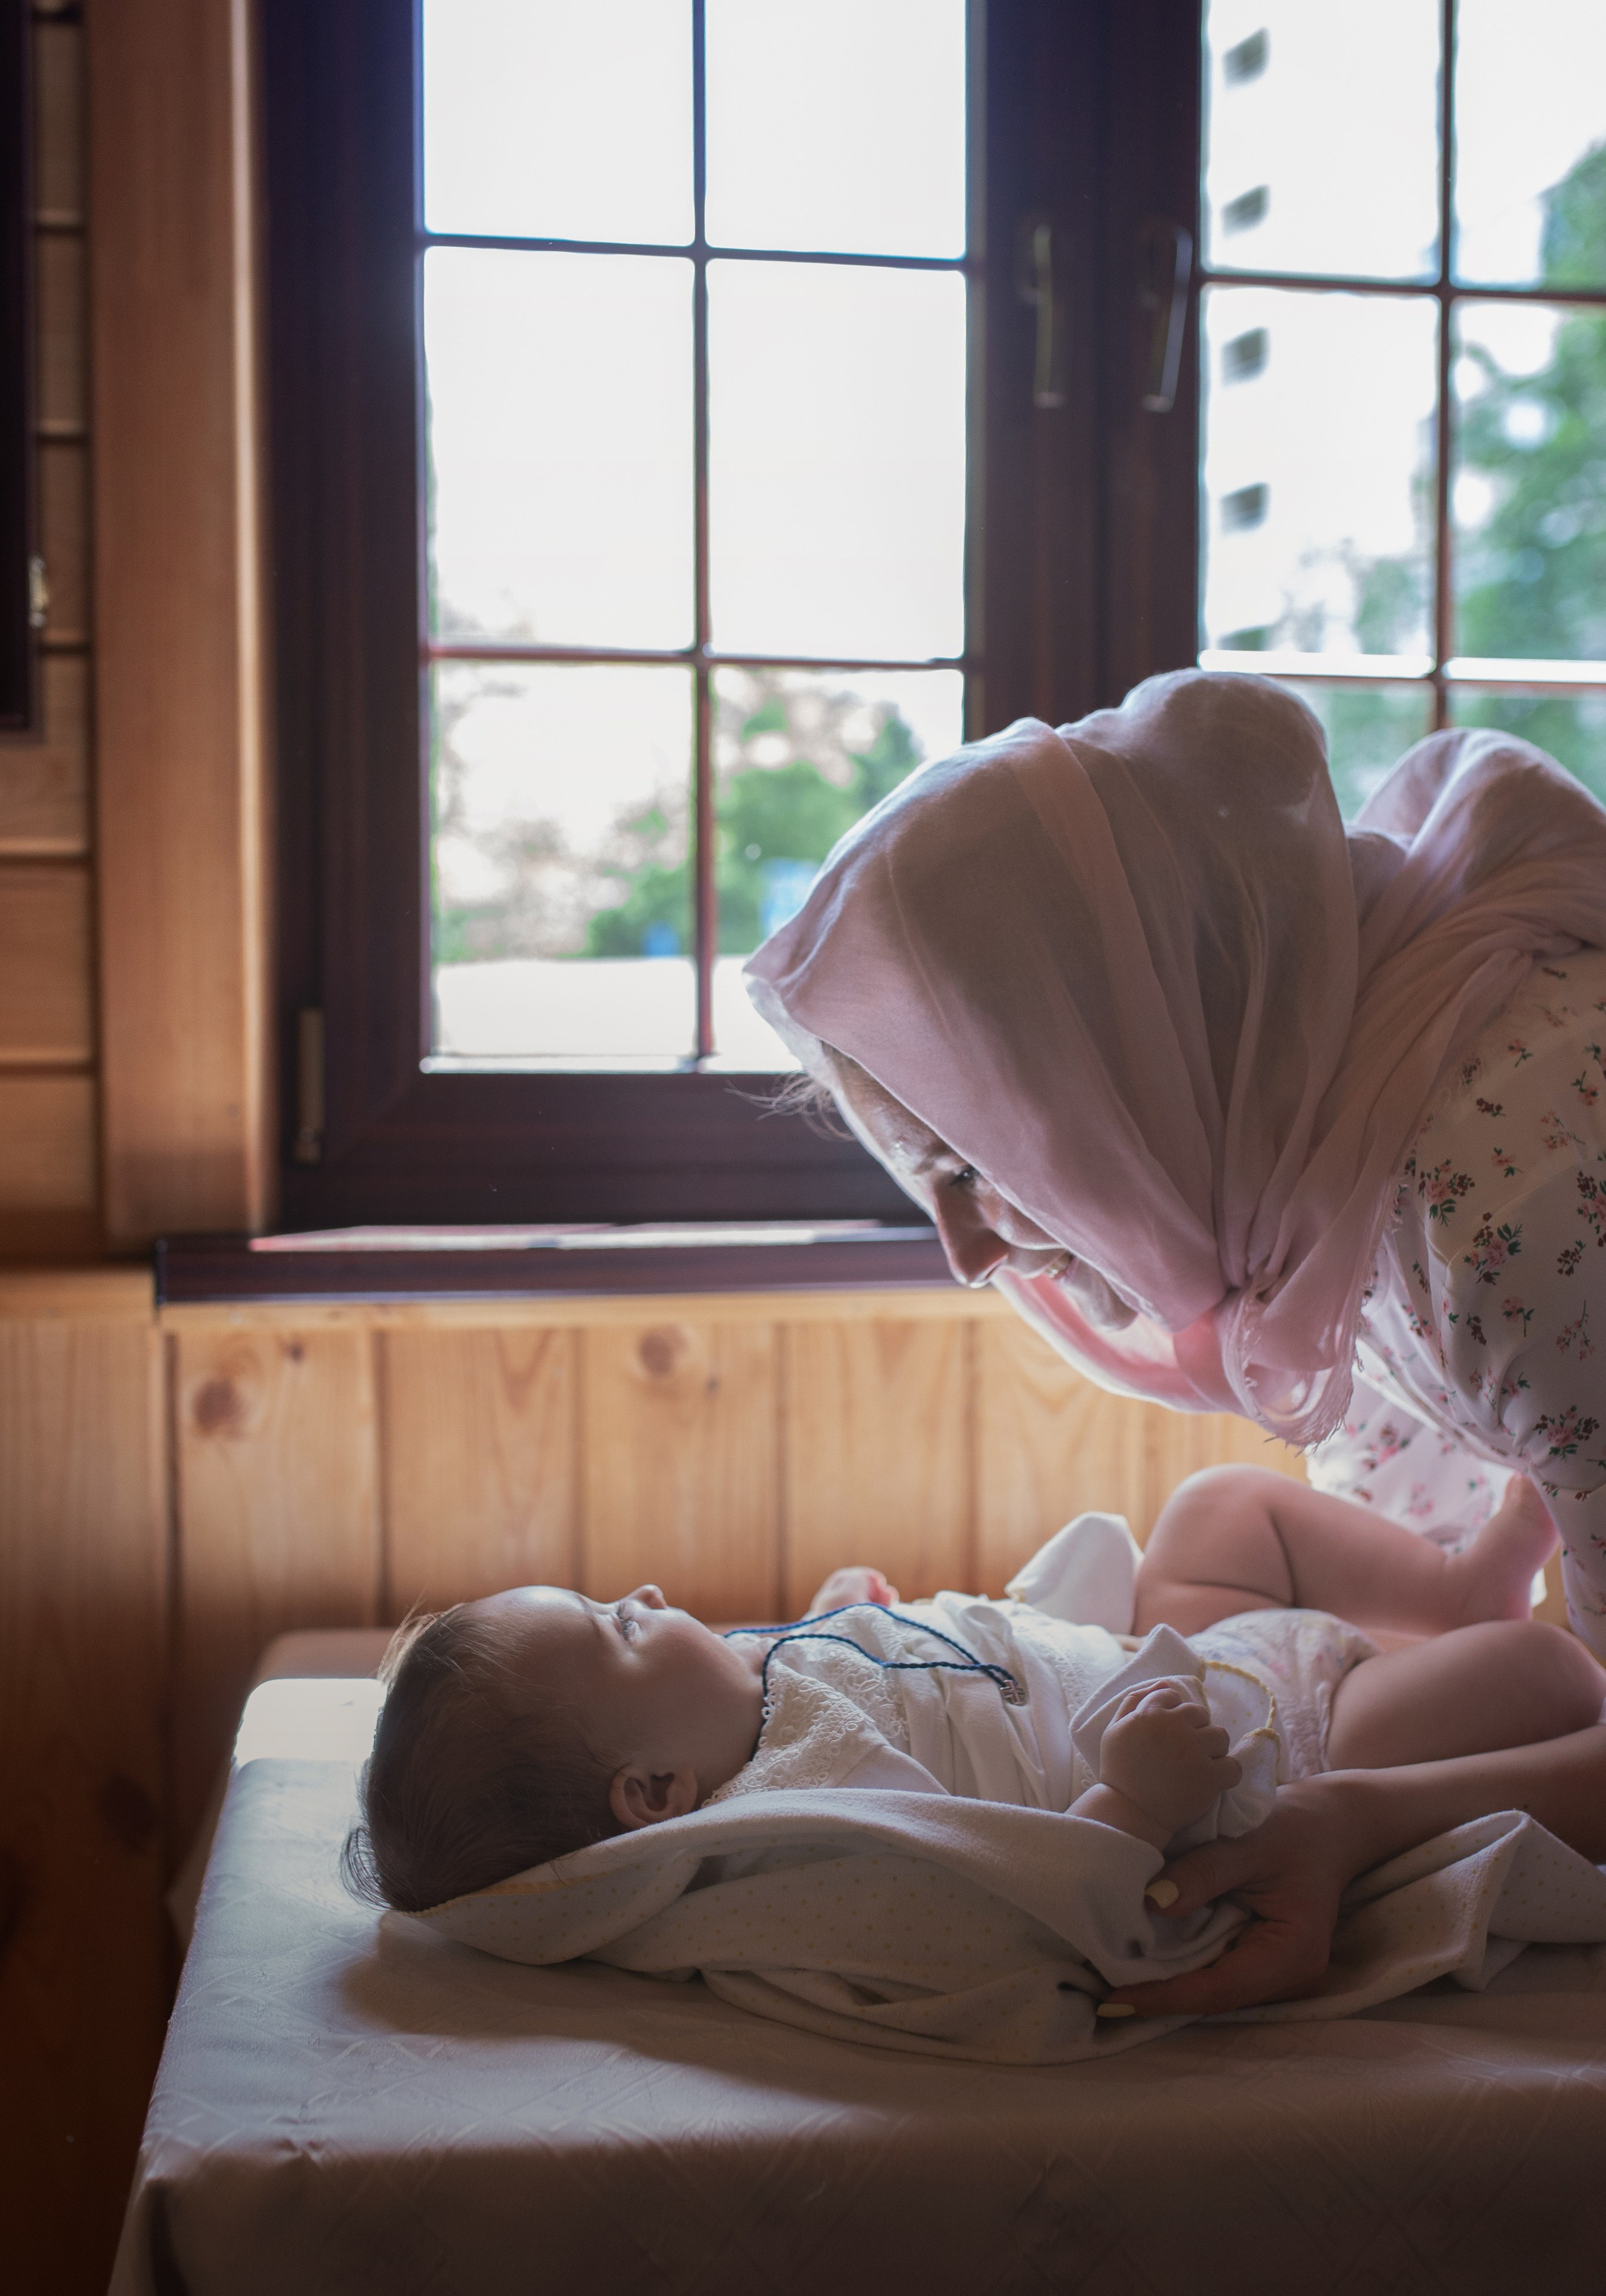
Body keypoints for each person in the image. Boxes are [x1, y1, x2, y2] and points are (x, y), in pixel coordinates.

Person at [741, 667, 1606, 2012]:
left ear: (1105, 1063)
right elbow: (1420, 1596)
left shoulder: (1505, 1198)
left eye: (968, 1164)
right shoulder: (1327, 1151)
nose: (965, 1256)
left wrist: (1352, 1819)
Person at [342, 1463, 1597, 1944]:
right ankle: (1447, 1645)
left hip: (1148, 1645)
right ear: (653, 1794)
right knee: (1538, 1675)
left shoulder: (734, 1694)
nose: (655, 1592)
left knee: (1218, 1507)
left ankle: (1452, 1586)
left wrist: (849, 1618)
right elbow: (1013, 1901)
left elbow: (881, 1668)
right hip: (1274, 1741)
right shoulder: (812, 1816)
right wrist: (1132, 1800)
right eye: (622, 1622)